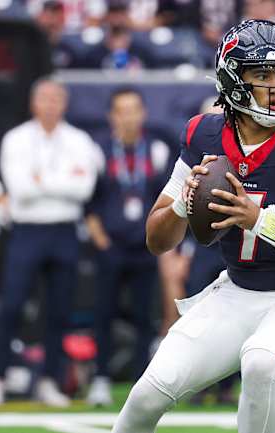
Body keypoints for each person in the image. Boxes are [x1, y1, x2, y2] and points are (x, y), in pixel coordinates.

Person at [110, 19, 275, 433]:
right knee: (148, 392)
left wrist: (260, 221)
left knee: (261, 362)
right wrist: (185, 205)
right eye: (262, 74)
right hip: (235, 293)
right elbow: (157, 239)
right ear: (233, 79)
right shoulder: (204, 135)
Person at [0, 78, 103, 408]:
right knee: (11, 305)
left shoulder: (79, 140)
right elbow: (19, 189)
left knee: (59, 309)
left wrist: (42, 181)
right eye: (45, 99)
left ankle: (50, 380)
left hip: (64, 229)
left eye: (56, 99)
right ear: (34, 103)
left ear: (64, 104)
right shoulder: (16, 139)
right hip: (27, 229)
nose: (51, 105)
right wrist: (61, 181)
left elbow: (84, 188)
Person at [84, 87, 172, 407]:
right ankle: (100, 379)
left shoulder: (158, 150)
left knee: (143, 316)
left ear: (144, 113)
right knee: (103, 313)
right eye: (122, 110)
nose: (129, 116)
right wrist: (102, 242)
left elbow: (166, 201)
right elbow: (89, 204)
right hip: (111, 245)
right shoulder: (99, 150)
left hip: (144, 246)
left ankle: (142, 381)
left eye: (135, 109)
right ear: (112, 116)